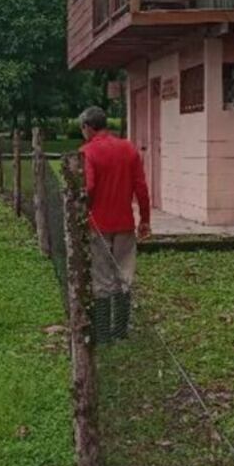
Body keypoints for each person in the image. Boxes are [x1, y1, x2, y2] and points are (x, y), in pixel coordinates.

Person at [79, 106, 151, 343]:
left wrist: (81, 209)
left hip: (97, 224)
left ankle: (102, 333)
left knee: (102, 278)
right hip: (124, 223)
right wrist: (145, 220)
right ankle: (120, 330)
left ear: (88, 127)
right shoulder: (128, 148)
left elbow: (88, 187)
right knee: (123, 276)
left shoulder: (87, 152)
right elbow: (141, 188)